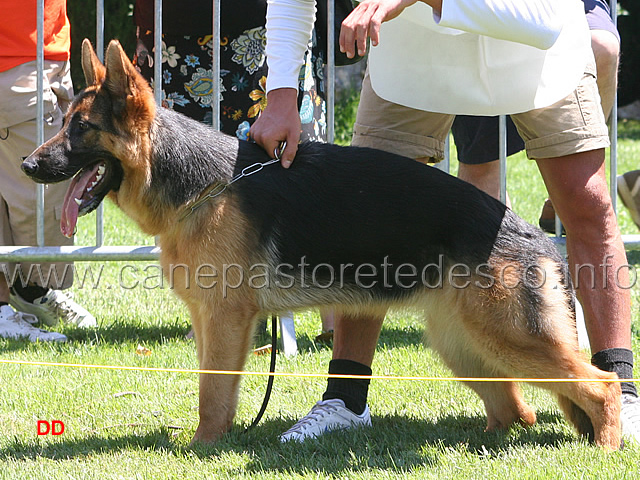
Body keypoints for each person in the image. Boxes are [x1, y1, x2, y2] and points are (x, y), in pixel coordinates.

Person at [250, 0, 640, 443]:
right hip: (411, 61)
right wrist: (281, 92)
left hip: (536, 53)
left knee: (587, 204)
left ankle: (619, 390)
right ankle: (345, 398)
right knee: (366, 209)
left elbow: (544, 21)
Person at [0, 0, 96, 342]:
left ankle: (26, 297)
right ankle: (27, 296)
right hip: (20, 61)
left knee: (34, 194)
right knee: (43, 191)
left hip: (39, 56)